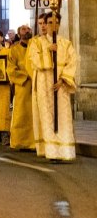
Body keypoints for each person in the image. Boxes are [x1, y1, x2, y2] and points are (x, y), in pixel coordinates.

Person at [26, 12, 79, 162]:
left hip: (60, 85)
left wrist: (63, 80)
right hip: (44, 85)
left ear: (59, 24)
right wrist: (48, 50)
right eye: (49, 22)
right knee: (48, 117)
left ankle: (65, 151)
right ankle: (52, 152)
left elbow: (72, 61)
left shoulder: (66, 43)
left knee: (62, 117)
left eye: (56, 22)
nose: (52, 25)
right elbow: (34, 60)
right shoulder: (37, 42)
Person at [7, 24, 34, 151]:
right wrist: (26, 76)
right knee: (22, 114)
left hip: (37, 84)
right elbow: (11, 69)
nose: (27, 30)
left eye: (28, 29)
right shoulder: (14, 50)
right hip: (23, 85)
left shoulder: (36, 47)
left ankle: (36, 141)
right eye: (23, 29)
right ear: (19, 34)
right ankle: (21, 141)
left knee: (35, 114)